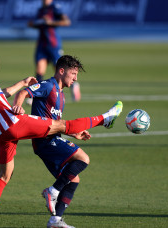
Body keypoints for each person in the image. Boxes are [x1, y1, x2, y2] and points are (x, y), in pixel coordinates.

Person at [0, 46, 123, 228]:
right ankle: (104, 119)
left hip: (1, 134)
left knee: (5, 176)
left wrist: (22, 82)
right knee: (62, 125)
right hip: (12, 123)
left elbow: (2, 95)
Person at [13, 55, 104, 228]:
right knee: (83, 158)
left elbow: (56, 123)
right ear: (61, 71)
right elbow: (24, 92)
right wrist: (18, 105)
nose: (75, 78)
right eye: (73, 73)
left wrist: (73, 133)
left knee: (73, 180)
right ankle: (52, 191)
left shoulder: (61, 95)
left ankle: (55, 221)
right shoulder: (48, 86)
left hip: (50, 139)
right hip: (44, 140)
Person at [28, 0, 81, 102]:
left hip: (53, 44)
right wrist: (34, 24)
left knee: (60, 69)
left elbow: (66, 21)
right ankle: (36, 95)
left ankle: (74, 85)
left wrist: (51, 22)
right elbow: (38, 24)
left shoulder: (55, 8)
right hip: (42, 45)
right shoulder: (41, 10)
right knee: (39, 71)